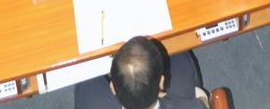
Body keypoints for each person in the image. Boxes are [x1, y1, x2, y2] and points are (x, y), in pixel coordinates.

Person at [75, 36, 205, 109]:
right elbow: (202, 99)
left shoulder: (89, 100)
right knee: (180, 56)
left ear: (113, 87)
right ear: (161, 82)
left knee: (87, 78)